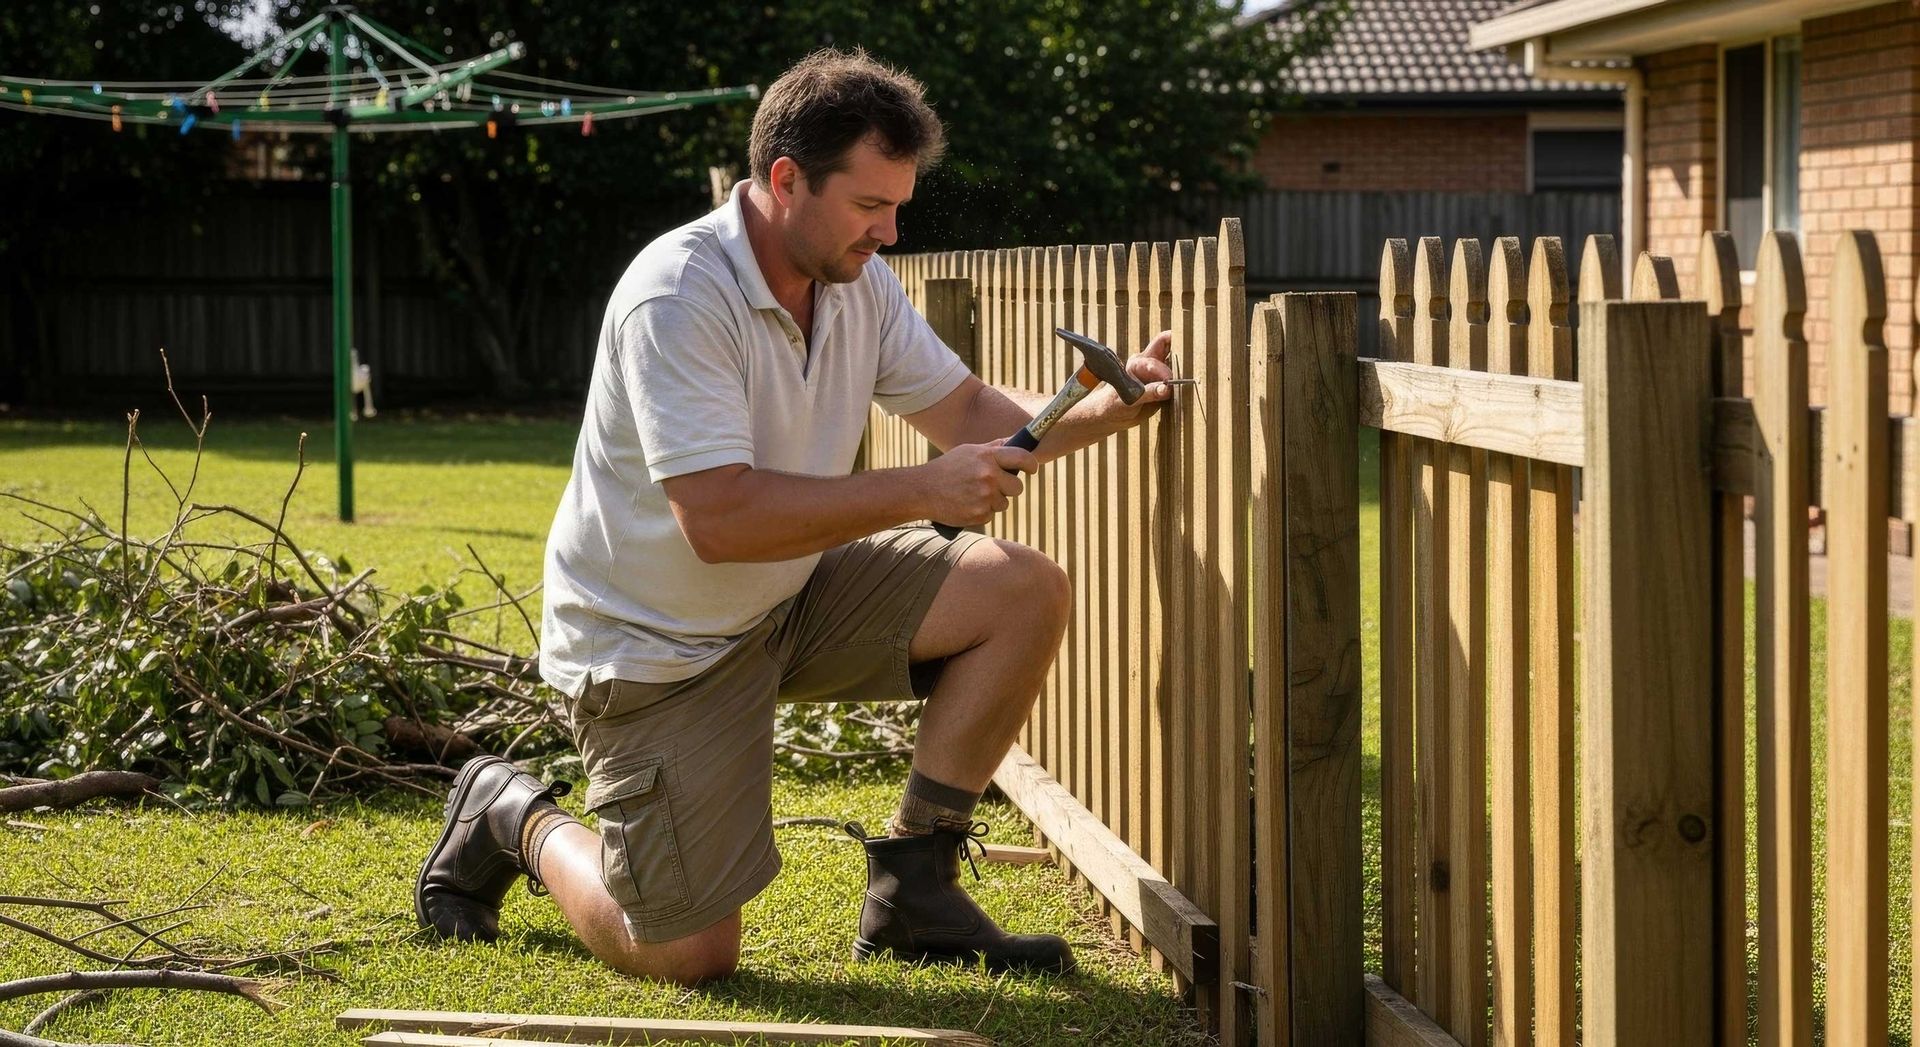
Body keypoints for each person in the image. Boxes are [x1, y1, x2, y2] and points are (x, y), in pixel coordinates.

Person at [413, 47, 1175, 987]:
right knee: (687, 954)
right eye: (869, 206)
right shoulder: (679, 296)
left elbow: (968, 412)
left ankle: (916, 889)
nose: (889, 232)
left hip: (788, 594)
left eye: (897, 205)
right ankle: (512, 814)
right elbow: (720, 519)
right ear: (785, 180)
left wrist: (1107, 406)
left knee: (1021, 589)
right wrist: (923, 490)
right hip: (658, 648)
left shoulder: (857, 285)